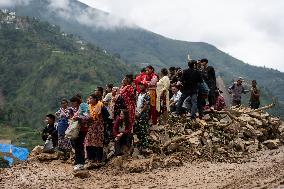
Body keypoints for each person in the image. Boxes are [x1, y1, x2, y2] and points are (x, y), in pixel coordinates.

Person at [70, 96, 90, 171]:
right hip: (78, 129)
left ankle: (80, 163)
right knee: (77, 145)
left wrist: (79, 117)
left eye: (73, 102)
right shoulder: (77, 108)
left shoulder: (83, 105)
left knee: (79, 145)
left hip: (82, 129)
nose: (72, 104)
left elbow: (87, 115)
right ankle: (78, 162)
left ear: (76, 101)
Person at [85, 93, 104, 166]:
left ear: (95, 99)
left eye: (91, 99)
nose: (89, 100)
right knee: (89, 143)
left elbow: (106, 116)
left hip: (98, 129)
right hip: (90, 128)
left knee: (98, 144)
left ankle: (98, 159)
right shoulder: (89, 106)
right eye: (89, 99)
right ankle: (90, 159)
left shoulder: (100, 106)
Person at [135, 84, 151, 150]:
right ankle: (140, 143)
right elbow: (136, 103)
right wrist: (136, 112)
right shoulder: (139, 94)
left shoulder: (147, 95)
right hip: (138, 113)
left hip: (143, 115)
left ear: (145, 86)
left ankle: (145, 145)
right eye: (140, 85)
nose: (141, 86)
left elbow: (146, 105)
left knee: (143, 130)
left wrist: (140, 113)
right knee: (138, 129)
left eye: (142, 85)